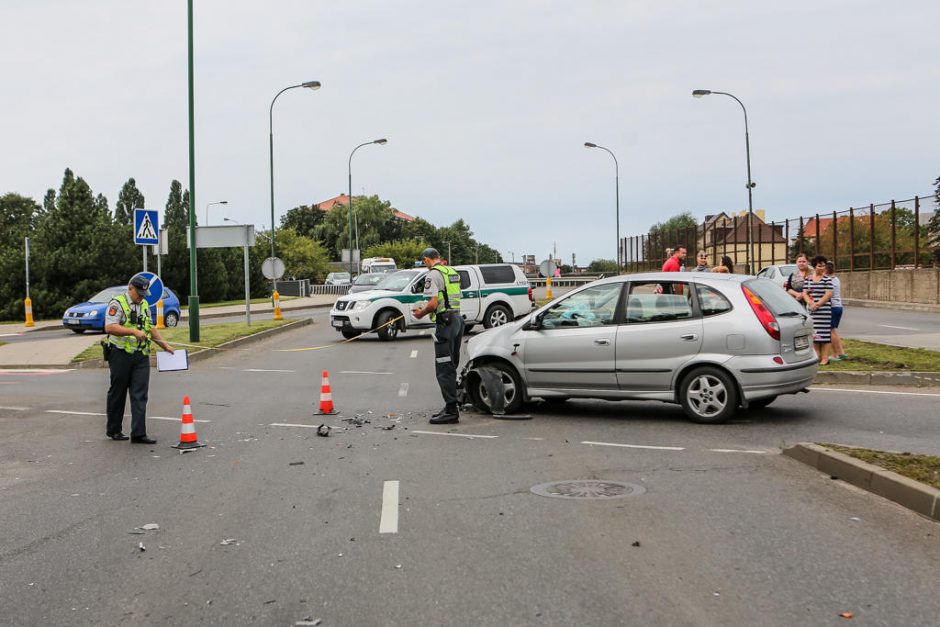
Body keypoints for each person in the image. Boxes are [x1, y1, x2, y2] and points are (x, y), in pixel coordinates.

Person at [104, 274, 174, 443]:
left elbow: (150, 328)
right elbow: (110, 327)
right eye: (139, 293)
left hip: (141, 356)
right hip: (120, 354)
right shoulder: (117, 303)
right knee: (118, 393)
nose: (142, 297)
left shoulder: (143, 304)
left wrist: (164, 345)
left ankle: (139, 434)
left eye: (144, 294)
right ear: (130, 288)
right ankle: (114, 430)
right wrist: (133, 332)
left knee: (140, 394)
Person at [411, 248, 465, 424]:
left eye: (424, 262)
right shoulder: (451, 271)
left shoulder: (432, 275)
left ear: (427, 260)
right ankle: (452, 405)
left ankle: (451, 410)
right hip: (457, 320)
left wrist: (421, 313)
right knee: (452, 365)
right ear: (439, 258)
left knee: (444, 369)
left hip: (445, 323)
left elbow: (433, 303)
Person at [803, 255, 834, 365]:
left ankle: (825, 358)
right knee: (815, 335)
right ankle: (817, 356)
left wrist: (818, 304)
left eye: (823, 266)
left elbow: (829, 294)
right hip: (811, 311)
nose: (822, 268)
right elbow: (805, 293)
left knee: (825, 336)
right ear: (814, 266)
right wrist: (810, 303)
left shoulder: (827, 279)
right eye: (819, 266)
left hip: (824, 311)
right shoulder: (808, 279)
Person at [826, 260, 847, 360]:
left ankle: (835, 355)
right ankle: (841, 352)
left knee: (830, 331)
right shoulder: (836, 279)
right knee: (833, 331)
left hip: (833, 307)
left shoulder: (829, 280)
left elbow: (828, 294)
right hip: (838, 306)